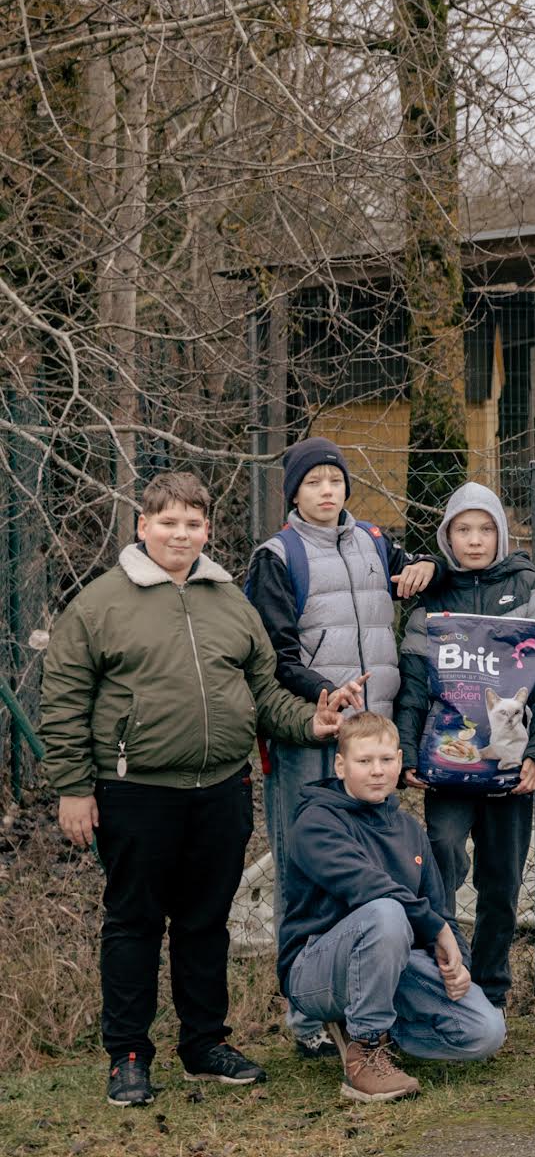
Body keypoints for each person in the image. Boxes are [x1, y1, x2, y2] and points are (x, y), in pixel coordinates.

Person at [37, 472, 345, 1107]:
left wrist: (309, 723)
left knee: (205, 923)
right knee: (134, 923)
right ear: (143, 526)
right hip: (135, 791)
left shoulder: (229, 600)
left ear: (207, 531)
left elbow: (263, 693)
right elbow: (63, 701)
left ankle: (204, 1044)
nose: (180, 534)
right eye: (168, 522)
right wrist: (72, 787)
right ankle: (128, 1055)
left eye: (193, 524)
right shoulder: (100, 604)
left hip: (222, 789)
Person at [246, 436, 435, 1056]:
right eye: (314, 482)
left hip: (371, 737)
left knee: (372, 868)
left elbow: (419, 574)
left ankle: (368, 996)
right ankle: (306, 1016)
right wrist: (325, 694)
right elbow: (275, 655)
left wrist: (427, 566)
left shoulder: (374, 542)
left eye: (335, 480)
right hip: (311, 734)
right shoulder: (277, 557)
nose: (327, 491)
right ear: (293, 493)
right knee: (304, 869)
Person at [392, 482, 535, 1012]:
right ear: (447, 536)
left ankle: (491, 990)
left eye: (486, 529)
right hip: (448, 768)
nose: (475, 540)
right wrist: (407, 753)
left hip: (512, 770)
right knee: (441, 860)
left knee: (501, 883)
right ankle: (449, 974)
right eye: (463, 529)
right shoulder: (433, 597)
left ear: (502, 533)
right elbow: (413, 684)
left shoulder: (530, 588)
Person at [279, 713, 507, 1102]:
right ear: (341, 765)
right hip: (316, 971)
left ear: (400, 762)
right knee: (386, 910)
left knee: (485, 1032)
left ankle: (381, 1030)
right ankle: (365, 1052)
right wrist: (436, 930)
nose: (377, 771)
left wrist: (459, 966)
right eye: (364, 761)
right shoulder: (315, 822)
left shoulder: (409, 830)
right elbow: (366, 887)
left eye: (386, 760)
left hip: (390, 965)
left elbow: (439, 910)